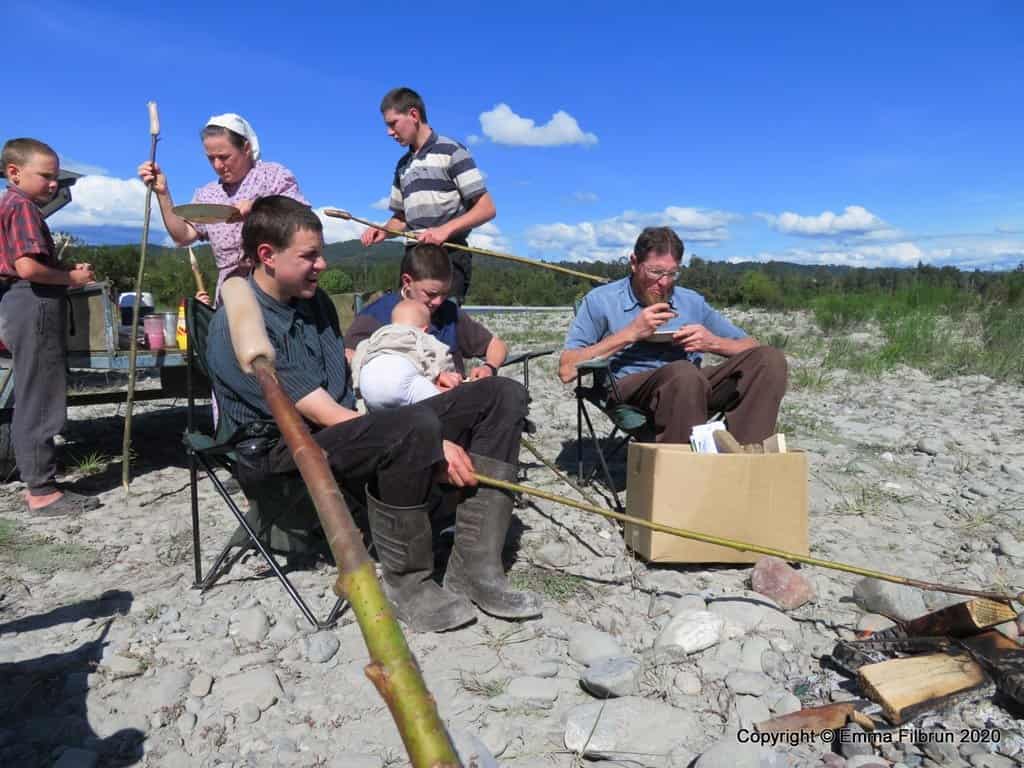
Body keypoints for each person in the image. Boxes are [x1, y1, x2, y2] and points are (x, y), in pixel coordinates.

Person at [205, 196, 540, 632]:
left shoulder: (316, 303)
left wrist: (427, 380)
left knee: (501, 394)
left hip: (345, 434)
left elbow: (350, 391)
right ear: (267, 256)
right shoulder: (240, 323)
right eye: (310, 256)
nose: (322, 264)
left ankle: (476, 569)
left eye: (321, 253)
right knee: (413, 424)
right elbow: (326, 414)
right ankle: (409, 585)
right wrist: (433, 442)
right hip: (284, 456)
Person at [559, 227, 788, 445]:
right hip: (630, 389)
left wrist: (713, 343)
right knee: (683, 373)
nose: (664, 282)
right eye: (656, 272)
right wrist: (631, 333)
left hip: (695, 388)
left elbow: (751, 347)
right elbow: (567, 368)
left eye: (672, 273)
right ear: (634, 263)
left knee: (769, 360)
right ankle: (681, 473)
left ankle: (746, 464)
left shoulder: (690, 301)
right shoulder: (602, 300)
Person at [0, 139, 100, 516]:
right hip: (33, 301)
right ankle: (41, 492)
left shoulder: (10, 204)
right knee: (41, 394)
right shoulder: (23, 207)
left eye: (56, 177)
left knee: (31, 392)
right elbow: (27, 268)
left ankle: (39, 481)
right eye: (46, 176)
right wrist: (71, 277)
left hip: (20, 302)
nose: (53, 184)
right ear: (14, 172)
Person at [138, 113, 308, 304]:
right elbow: (183, 236)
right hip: (231, 296)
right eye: (211, 159)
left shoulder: (273, 176)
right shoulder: (208, 195)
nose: (218, 165)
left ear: (246, 148)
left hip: (279, 292)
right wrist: (163, 193)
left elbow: (302, 219)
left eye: (224, 157)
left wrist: (258, 207)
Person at [360, 87, 495, 304]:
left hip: (448, 255)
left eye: (393, 123)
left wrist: (444, 230)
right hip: (413, 258)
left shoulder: (452, 152)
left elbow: (486, 208)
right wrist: (384, 231)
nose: (389, 132)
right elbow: (401, 219)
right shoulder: (402, 166)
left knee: (442, 329)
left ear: (413, 115)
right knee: (409, 326)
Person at [346, 243, 507, 379]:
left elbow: (496, 345)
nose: (438, 301)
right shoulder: (375, 316)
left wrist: (489, 367)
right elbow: (350, 356)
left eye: (445, 293)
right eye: (431, 294)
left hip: (455, 402)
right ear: (407, 282)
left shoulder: (450, 313)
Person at [351, 299, 460, 411]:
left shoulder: (375, 337)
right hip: (403, 381)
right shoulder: (422, 336)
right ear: (425, 329)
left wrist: (357, 385)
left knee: (375, 411)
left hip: (369, 383)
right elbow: (442, 357)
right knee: (444, 406)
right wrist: (447, 375)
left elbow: (358, 357)